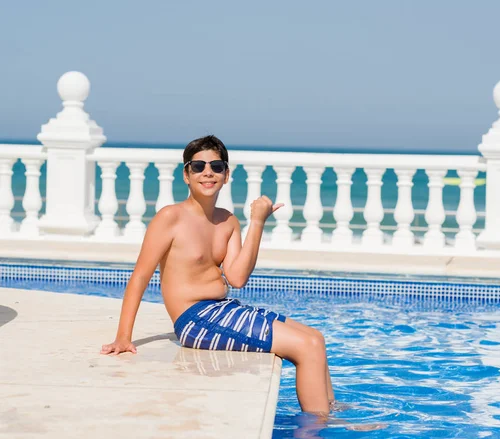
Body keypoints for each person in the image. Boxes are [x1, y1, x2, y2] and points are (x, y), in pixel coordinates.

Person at [101, 135, 335, 414]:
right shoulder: (170, 218)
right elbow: (140, 276)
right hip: (195, 320)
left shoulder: (228, 221)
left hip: (222, 310)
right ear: (186, 176)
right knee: (306, 346)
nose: (207, 172)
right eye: (198, 166)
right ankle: (315, 431)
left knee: (316, 338)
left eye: (216, 166)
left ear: (226, 175)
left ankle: (332, 413)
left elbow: (237, 278)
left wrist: (257, 222)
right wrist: (123, 336)